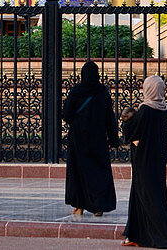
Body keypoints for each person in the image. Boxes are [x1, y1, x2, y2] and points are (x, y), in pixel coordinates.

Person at [120, 76, 167, 249]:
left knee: (148, 197)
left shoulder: (145, 110)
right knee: (145, 196)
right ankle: (135, 235)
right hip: (157, 160)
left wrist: (126, 121)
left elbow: (130, 132)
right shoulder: (163, 109)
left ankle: (166, 238)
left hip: (144, 160)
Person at [62, 60, 119, 216]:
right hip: (98, 138)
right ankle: (98, 206)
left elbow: (67, 115)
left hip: (78, 138)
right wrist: (114, 140)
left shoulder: (76, 91)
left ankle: (79, 206)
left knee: (78, 171)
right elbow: (109, 118)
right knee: (97, 172)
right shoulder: (102, 92)